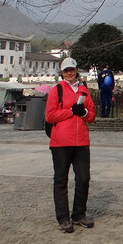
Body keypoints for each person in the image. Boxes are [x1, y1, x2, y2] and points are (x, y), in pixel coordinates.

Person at [46, 57, 96, 233]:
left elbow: (92, 117)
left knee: (83, 178)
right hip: (60, 142)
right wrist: (70, 111)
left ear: (76, 70)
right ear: (62, 72)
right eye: (66, 70)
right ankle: (63, 217)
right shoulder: (56, 90)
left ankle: (79, 214)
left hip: (81, 141)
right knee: (61, 180)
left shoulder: (84, 91)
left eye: (71, 70)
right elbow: (50, 116)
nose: (69, 73)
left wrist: (83, 112)